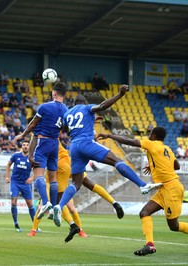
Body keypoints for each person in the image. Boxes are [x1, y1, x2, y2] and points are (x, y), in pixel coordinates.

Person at [52, 85, 162, 231]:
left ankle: (59, 207)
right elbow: (103, 105)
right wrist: (120, 95)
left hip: (74, 147)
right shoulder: (87, 108)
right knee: (117, 161)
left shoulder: (68, 113)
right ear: (84, 103)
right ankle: (142, 185)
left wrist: (90, 120)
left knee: (76, 183)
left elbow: (65, 130)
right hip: (87, 142)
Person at [97, 127, 188, 256]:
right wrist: (154, 165)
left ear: (155, 136)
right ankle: (150, 245)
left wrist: (110, 136)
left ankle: (150, 245)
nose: (149, 135)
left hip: (171, 189)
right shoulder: (167, 148)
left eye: (151, 134)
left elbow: (128, 141)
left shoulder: (151, 143)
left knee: (174, 226)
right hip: (163, 188)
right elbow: (177, 166)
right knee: (144, 212)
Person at [27, 138, 124, 241]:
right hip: (70, 161)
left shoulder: (40, 137)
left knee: (56, 202)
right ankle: (114, 202)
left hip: (59, 168)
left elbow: (41, 163)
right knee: (89, 186)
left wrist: (30, 157)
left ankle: (72, 225)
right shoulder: (56, 134)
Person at [13, 82, 68, 220]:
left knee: (38, 174)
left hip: (43, 142)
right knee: (53, 177)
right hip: (56, 143)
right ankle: (56, 206)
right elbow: (66, 129)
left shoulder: (44, 107)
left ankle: (46, 203)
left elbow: (33, 124)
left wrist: (23, 135)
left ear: (54, 93)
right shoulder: (66, 110)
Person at [5, 140, 35, 232]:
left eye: (27, 145)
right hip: (15, 182)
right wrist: (7, 176)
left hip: (25, 184)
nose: (25, 146)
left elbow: (39, 170)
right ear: (21, 146)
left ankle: (35, 225)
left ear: (29, 147)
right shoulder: (16, 155)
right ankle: (16, 223)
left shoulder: (32, 157)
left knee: (30, 204)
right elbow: (8, 164)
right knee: (13, 202)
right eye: (24, 145)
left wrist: (32, 178)